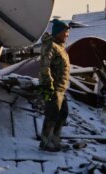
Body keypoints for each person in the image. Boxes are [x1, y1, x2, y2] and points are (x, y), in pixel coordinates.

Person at [38, 19, 71, 151]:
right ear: (58, 32)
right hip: (52, 87)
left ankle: (55, 139)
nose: (67, 35)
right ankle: (45, 141)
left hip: (61, 88)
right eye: (65, 32)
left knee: (63, 113)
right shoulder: (50, 45)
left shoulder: (59, 47)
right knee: (52, 114)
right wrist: (48, 84)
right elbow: (44, 66)